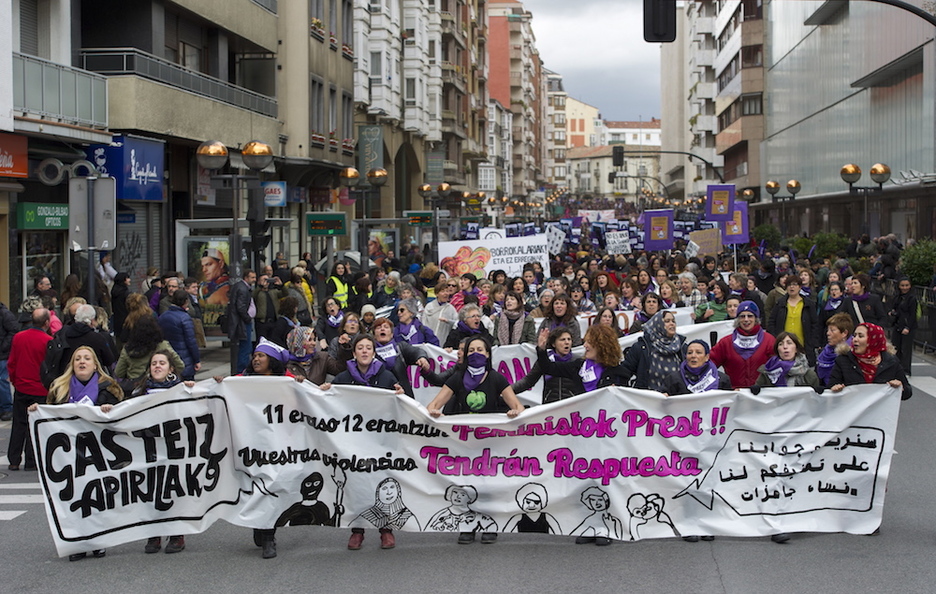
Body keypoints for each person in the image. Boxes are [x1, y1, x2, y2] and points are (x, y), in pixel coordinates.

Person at [29, 346, 123, 561]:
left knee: (98, 495)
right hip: (69, 453)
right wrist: (37, 411)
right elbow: (50, 417)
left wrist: (111, 409)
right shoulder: (60, 390)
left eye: (87, 358)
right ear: (72, 365)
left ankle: (99, 539)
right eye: (78, 359)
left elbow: (121, 417)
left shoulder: (109, 388)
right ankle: (77, 542)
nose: (82, 362)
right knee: (75, 497)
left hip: (98, 453)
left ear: (95, 364)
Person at [129, 351, 195, 555]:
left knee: (174, 488)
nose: (157, 366)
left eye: (162, 363)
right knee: (151, 490)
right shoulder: (138, 392)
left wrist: (195, 390)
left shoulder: (182, 389)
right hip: (148, 447)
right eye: (154, 363)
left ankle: (177, 534)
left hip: (174, 447)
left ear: (170, 368)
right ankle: (154, 533)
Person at [427, 335, 524, 417]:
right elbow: (433, 405)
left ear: (487, 354)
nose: (475, 353)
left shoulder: (497, 378)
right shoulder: (457, 377)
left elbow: (518, 407)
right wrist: (434, 413)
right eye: (471, 350)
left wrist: (515, 412)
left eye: (480, 350)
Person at [7, 308, 52, 470]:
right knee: (35, 425)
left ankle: (13, 459)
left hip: (22, 386)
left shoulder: (19, 338)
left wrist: (14, 380)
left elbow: (12, 362)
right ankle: (31, 461)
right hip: (40, 389)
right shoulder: (48, 341)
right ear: (47, 323)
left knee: (18, 424)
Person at [534, 324, 625, 395]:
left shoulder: (618, 372)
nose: (585, 345)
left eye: (589, 342)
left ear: (602, 345)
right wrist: (542, 350)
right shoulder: (578, 366)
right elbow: (549, 368)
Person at [830, 322, 911, 401]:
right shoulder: (843, 360)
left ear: (873, 339)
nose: (855, 339)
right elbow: (830, 387)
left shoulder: (891, 361)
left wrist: (900, 387)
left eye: (860, 336)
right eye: (854, 335)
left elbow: (907, 392)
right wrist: (835, 388)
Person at [710, 301, 776, 389]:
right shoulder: (726, 342)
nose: (746, 319)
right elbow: (709, 365)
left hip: (762, 396)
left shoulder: (769, 340)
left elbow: (778, 368)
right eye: (742, 316)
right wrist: (723, 383)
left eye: (750, 316)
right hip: (734, 395)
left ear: (756, 318)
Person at [618, 311, 686, 392]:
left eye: (673, 321)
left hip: (676, 399)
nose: (672, 324)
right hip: (647, 399)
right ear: (658, 324)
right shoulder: (642, 347)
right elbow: (625, 371)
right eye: (667, 321)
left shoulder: (682, 346)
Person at [511, 327, 580, 403]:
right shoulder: (545, 361)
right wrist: (506, 391)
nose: (567, 342)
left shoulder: (577, 361)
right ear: (554, 344)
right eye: (562, 339)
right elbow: (528, 381)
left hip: (574, 407)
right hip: (550, 406)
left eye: (569, 339)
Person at [51, 304, 117, 379]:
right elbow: (109, 360)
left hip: (66, 377)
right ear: (92, 320)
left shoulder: (62, 334)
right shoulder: (98, 338)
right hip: (92, 378)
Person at [115, 315, 185, 385]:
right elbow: (180, 365)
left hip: (135, 386)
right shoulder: (163, 345)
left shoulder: (128, 349)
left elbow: (119, 372)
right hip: (160, 386)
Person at [768, 274, 819, 365]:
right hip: (784, 346)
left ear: (800, 287)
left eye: (795, 284)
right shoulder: (780, 303)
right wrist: (775, 338)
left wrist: (813, 342)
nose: (792, 287)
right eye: (789, 285)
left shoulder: (808, 304)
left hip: (804, 345)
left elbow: (815, 324)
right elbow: (772, 321)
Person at [157, 290, 201, 380]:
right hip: (184, 358)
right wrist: (197, 360)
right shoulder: (185, 318)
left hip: (168, 355)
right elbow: (191, 341)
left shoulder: (163, 316)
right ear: (186, 302)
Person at [662, 339, 731, 396]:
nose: (693, 356)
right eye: (689, 353)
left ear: (707, 357)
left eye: (698, 352)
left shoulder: (722, 379)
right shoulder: (673, 379)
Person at [755, 332, 820, 389]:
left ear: (796, 349)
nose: (785, 346)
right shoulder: (767, 372)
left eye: (789, 343)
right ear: (777, 349)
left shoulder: (809, 375)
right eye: (781, 344)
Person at [227, 269, 257, 374]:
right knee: (245, 348)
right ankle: (242, 371)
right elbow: (241, 307)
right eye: (252, 277)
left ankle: (241, 370)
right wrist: (248, 318)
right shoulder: (243, 289)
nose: (254, 280)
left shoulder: (241, 287)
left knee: (244, 347)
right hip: (243, 323)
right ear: (246, 277)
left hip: (242, 322)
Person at [888, 277, 917, 376]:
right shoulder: (897, 297)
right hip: (897, 324)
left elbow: (912, 315)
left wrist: (908, 327)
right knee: (896, 347)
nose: (904, 288)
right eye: (902, 285)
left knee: (906, 349)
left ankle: (906, 370)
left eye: (907, 285)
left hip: (907, 326)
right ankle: (897, 368)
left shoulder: (912, 299)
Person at [817, 313, 854, 387]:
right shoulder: (824, 353)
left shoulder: (852, 354)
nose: (828, 333)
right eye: (828, 330)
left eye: (832, 330)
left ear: (844, 333)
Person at [421, 281, 457, 345]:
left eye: (447, 291)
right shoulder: (429, 306)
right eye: (443, 291)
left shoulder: (451, 308)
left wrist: (448, 321)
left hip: (443, 342)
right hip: (429, 342)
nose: (445, 293)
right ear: (437, 294)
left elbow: (456, 323)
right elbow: (423, 323)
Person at [253, 272, 286, 342]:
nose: (266, 282)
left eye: (267, 280)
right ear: (259, 281)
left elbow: (285, 293)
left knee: (273, 341)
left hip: (274, 321)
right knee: (262, 341)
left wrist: (281, 285)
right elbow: (253, 296)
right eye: (264, 280)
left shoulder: (273, 292)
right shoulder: (258, 292)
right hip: (262, 322)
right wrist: (261, 286)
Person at [0, 299, 18, 421]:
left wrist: (3, 347)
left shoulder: (4, 314)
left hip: (2, 354)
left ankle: (7, 408)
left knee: (2, 380)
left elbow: (13, 330)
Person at [110, 272, 131, 343]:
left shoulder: (114, 291)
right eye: (127, 278)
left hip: (117, 320)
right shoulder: (126, 293)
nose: (129, 280)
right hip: (126, 320)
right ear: (123, 280)